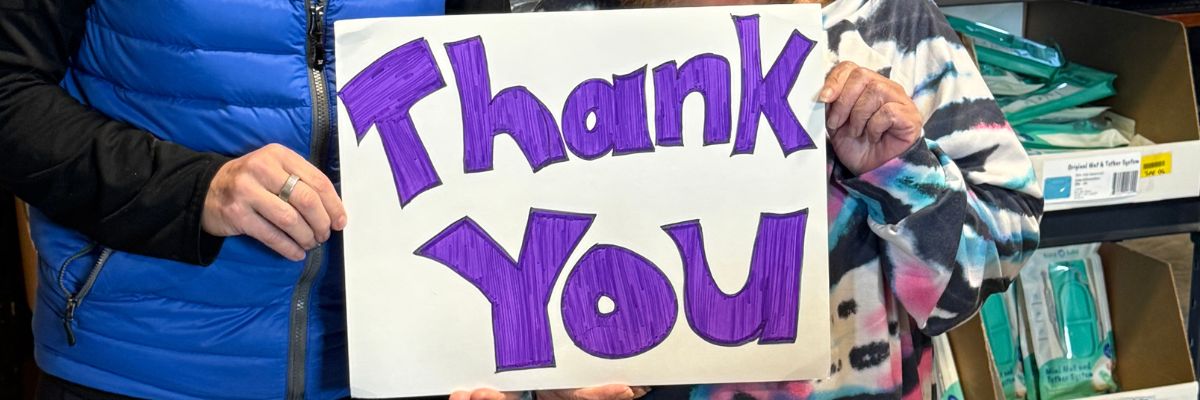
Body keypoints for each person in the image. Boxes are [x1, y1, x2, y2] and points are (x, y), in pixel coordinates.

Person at [1, 0, 641, 399]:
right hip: (143, 363)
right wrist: (192, 188)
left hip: (412, 369)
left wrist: (548, 352)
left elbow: (536, 100)